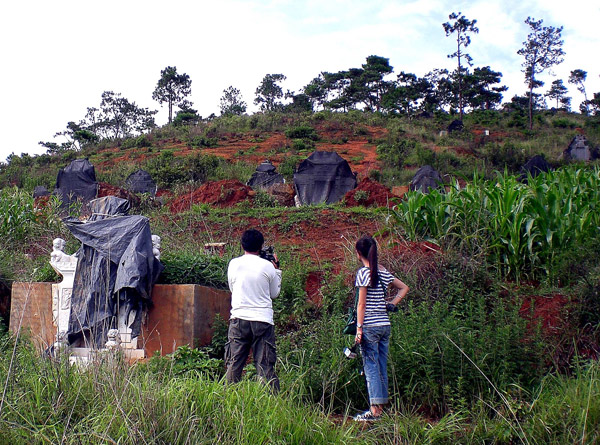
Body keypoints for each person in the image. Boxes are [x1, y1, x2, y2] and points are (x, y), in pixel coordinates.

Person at [353, 235, 409, 421]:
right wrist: (391, 303)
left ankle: (374, 411)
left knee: (371, 367)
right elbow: (404, 288)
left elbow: (361, 305)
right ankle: (381, 408)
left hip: (370, 326)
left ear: (359, 253)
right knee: (381, 366)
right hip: (385, 325)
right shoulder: (383, 272)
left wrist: (359, 329)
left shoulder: (363, 273)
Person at [226, 229, 282, 392]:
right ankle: (271, 402)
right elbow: (274, 294)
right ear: (261, 246)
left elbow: (232, 288)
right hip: (262, 320)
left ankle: (228, 398)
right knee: (265, 364)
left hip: (238, 318)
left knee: (234, 363)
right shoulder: (268, 266)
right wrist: (277, 270)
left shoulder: (233, 264)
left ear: (242, 245)